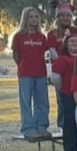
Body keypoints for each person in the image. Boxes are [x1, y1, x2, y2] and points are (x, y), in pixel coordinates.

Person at [11, 7, 50, 138]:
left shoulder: (41, 37)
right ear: (25, 19)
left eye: (36, 17)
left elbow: (44, 53)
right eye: (31, 17)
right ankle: (28, 128)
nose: (34, 19)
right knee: (25, 102)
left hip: (40, 73)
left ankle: (41, 126)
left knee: (42, 101)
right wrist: (22, 66)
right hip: (25, 74)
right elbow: (16, 55)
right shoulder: (19, 36)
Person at [51, 33, 77, 151]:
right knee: (70, 120)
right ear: (66, 44)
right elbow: (55, 78)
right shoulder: (62, 60)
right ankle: (71, 148)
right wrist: (63, 88)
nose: (75, 43)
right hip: (68, 94)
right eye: (72, 41)